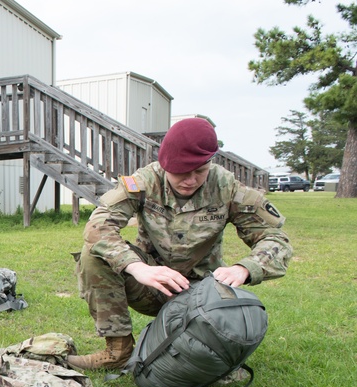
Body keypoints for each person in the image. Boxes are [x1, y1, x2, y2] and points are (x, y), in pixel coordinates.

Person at [67, 117, 293, 370]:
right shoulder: (145, 181)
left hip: (202, 293)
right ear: (165, 165)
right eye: (181, 172)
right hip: (151, 285)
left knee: (202, 361)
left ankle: (207, 348)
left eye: (200, 171)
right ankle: (117, 350)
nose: (191, 180)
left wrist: (245, 268)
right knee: (93, 255)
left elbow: (275, 238)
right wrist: (136, 267)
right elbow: (98, 227)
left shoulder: (227, 187)